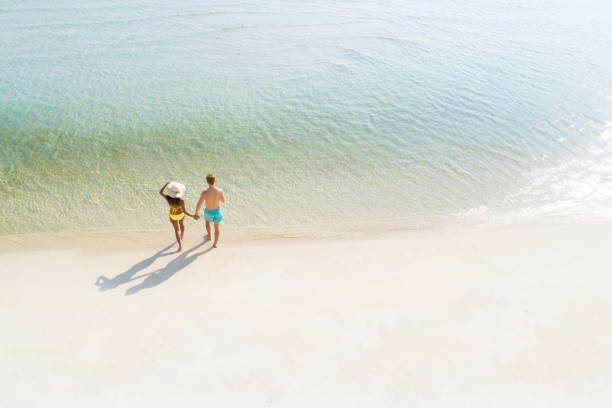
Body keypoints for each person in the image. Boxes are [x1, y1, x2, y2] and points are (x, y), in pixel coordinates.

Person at [159, 181, 195, 252]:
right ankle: (182, 235)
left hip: (173, 216)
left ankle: (180, 246)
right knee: (182, 224)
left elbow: (160, 192)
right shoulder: (181, 200)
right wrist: (193, 216)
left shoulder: (168, 198)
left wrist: (166, 184)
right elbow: (185, 211)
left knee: (176, 230)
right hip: (181, 215)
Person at [194, 174, 225, 247]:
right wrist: (218, 197)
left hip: (208, 212)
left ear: (207, 182)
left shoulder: (204, 192)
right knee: (217, 227)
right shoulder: (220, 191)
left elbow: (199, 203)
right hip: (217, 211)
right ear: (215, 181)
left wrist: (196, 212)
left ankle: (209, 236)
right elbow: (223, 200)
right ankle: (215, 244)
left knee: (207, 223)